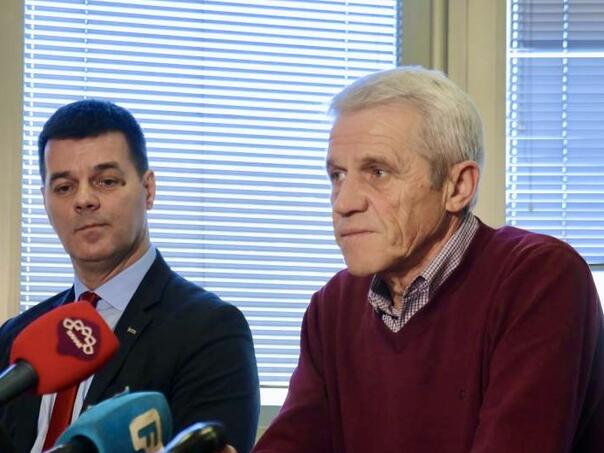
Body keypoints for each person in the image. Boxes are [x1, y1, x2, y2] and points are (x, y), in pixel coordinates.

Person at [252, 67, 604, 452]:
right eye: (337, 175)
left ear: (458, 187)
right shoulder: (333, 306)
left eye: (378, 172)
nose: (344, 203)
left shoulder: (540, 278)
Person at [0, 100, 259, 453]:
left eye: (106, 181)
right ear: (44, 200)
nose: (84, 200)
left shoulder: (211, 330)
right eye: (64, 187)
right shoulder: (15, 339)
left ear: (148, 190)